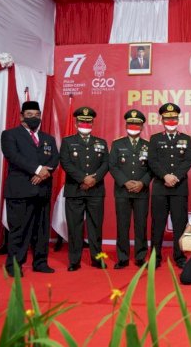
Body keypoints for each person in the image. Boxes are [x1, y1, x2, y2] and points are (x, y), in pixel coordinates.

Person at [1, 101, 59, 277]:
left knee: (41, 230)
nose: (34, 118)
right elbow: (13, 156)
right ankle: (14, 266)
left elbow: (54, 159)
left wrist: (43, 173)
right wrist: (36, 169)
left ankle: (40, 262)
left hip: (42, 190)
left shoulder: (48, 138)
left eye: (37, 114)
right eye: (29, 114)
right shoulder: (10, 135)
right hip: (20, 191)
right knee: (19, 229)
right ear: (21, 116)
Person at [60, 106, 109, 271]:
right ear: (76, 123)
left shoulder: (101, 143)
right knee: (75, 227)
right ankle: (74, 261)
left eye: (88, 122)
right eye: (82, 121)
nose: (85, 124)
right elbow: (65, 163)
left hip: (95, 190)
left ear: (93, 123)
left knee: (96, 226)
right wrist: (83, 178)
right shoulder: (68, 142)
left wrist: (93, 179)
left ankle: (97, 259)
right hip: (75, 189)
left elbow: (106, 164)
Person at [148, 103, 191, 268]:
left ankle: (180, 257)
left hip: (179, 187)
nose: (171, 120)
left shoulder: (186, 138)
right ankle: (155, 257)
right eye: (167, 118)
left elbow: (188, 160)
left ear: (178, 119)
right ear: (162, 119)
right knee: (158, 224)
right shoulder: (155, 139)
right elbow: (152, 160)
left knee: (180, 223)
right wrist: (165, 175)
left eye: (174, 118)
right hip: (160, 187)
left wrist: (176, 176)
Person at [109, 109, 151, 269]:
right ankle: (123, 257)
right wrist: (125, 182)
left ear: (142, 126)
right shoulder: (117, 144)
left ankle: (140, 257)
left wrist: (142, 183)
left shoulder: (148, 145)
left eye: (137, 124)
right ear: (126, 124)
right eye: (131, 123)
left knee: (141, 225)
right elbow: (112, 166)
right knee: (122, 224)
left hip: (142, 191)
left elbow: (151, 168)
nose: (134, 126)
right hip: (122, 191)